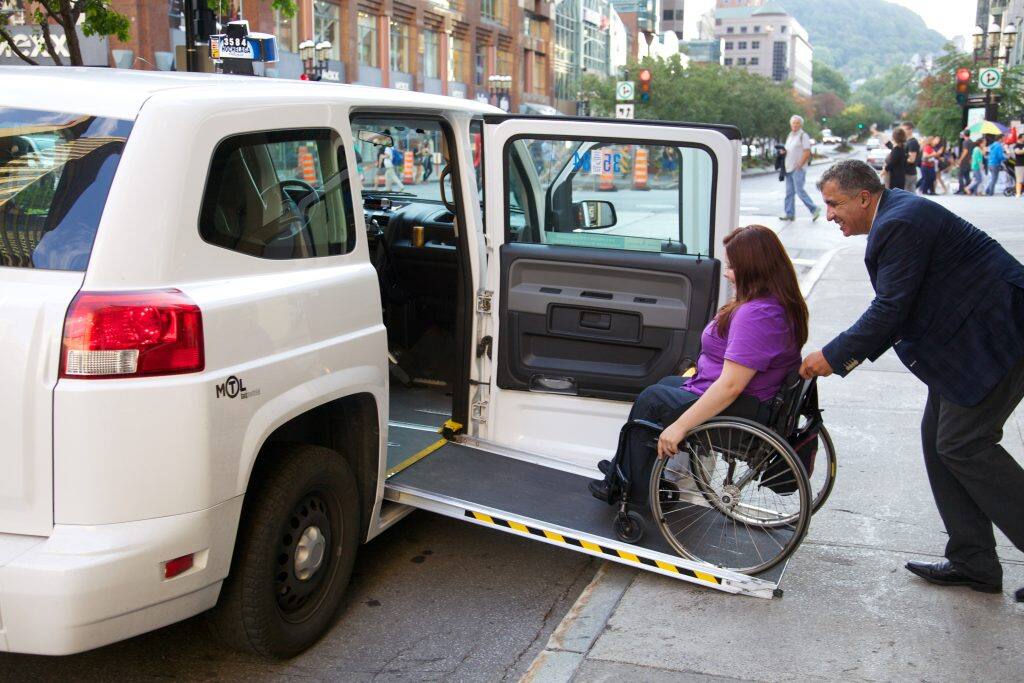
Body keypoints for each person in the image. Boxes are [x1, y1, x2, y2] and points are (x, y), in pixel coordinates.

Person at [801, 159, 1024, 603]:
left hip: (999, 336)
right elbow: (902, 307)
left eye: (834, 204)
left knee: (963, 443)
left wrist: (834, 355)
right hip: (967, 343)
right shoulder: (896, 215)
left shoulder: (898, 224)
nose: (829, 215)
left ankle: (975, 558)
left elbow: (891, 309)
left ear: (864, 197)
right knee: (938, 441)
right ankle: (973, 560)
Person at [588, 225, 807, 503]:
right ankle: (626, 469)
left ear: (753, 270)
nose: (726, 273)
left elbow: (730, 387)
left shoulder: (757, 315)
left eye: (732, 267)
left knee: (652, 399)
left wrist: (679, 426)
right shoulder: (776, 304)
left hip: (741, 408)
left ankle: (631, 487)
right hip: (752, 400)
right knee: (666, 384)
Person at [779, 115, 821, 222]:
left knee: (799, 191)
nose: (795, 125)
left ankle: (814, 209)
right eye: (793, 123)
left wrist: (800, 164)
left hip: (798, 168)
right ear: (791, 124)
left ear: (801, 124)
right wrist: (783, 152)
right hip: (788, 167)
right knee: (789, 193)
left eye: (797, 123)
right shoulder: (790, 135)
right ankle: (789, 214)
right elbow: (790, 149)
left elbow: (807, 151)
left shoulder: (803, 135)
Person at [902, 121, 920, 194]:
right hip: (907, 173)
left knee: (908, 196)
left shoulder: (912, 143)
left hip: (909, 173)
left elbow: (911, 159)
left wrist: (900, 161)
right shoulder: (907, 141)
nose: (902, 132)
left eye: (904, 130)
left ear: (910, 130)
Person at [1012, 130, 1023, 198]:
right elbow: (1017, 152)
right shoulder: (1016, 145)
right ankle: (1018, 193)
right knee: (1019, 180)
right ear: (1020, 138)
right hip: (1019, 165)